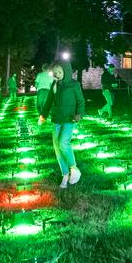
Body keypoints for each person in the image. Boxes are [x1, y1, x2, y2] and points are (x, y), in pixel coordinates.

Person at [40, 59, 84, 188]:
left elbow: (81, 101)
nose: (58, 74)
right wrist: (43, 115)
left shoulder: (74, 85)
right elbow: (49, 101)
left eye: (60, 71)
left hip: (70, 120)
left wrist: (79, 114)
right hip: (57, 120)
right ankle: (65, 174)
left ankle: (74, 169)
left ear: (66, 71)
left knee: (64, 143)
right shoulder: (54, 85)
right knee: (57, 149)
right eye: (55, 72)